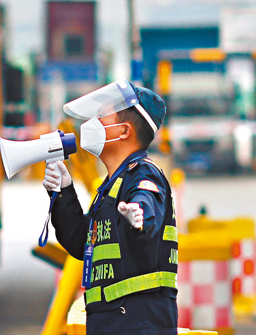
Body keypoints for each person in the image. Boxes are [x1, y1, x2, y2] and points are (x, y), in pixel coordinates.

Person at [42, 80, 178, 335]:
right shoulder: (111, 186)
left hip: (138, 324)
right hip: (112, 322)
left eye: (102, 116)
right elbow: (81, 243)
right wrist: (63, 192)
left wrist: (138, 217)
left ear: (124, 131)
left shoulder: (143, 175)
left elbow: (145, 205)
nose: (92, 124)